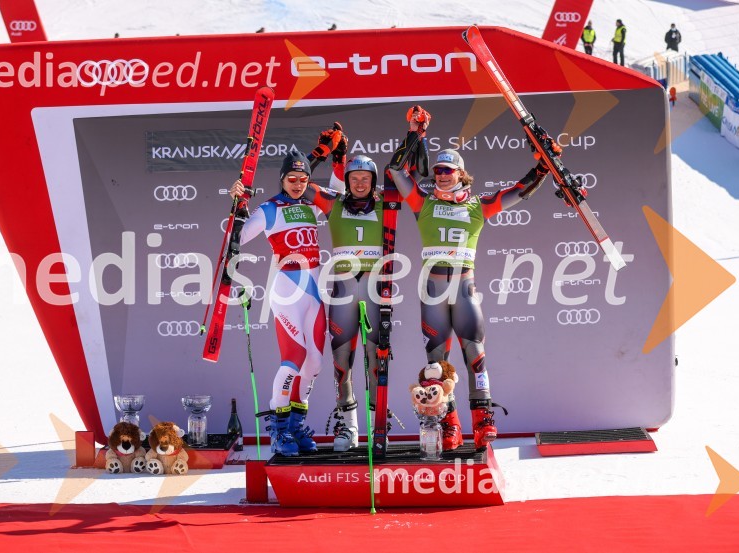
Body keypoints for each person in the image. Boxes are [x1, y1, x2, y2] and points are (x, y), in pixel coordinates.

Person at [388, 107, 555, 451]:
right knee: (436, 365)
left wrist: (544, 164)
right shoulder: (423, 201)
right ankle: (448, 425)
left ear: (462, 173)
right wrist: (415, 133)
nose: (441, 175)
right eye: (437, 171)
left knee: (475, 354)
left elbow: (520, 190)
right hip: (432, 288)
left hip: (464, 287)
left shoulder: (479, 205)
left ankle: (482, 422)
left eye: (448, 170)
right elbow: (395, 171)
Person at [228, 151, 326, 457]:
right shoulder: (270, 208)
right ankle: (279, 426)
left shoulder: (312, 206)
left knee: (315, 363)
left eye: (303, 179)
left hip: (315, 289)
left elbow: (340, 191)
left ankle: (296, 425)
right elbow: (237, 237)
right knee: (293, 358)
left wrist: (336, 156)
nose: (297, 184)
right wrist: (238, 204)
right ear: (282, 179)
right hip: (287, 289)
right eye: (291, 179)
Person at [301, 128, 385, 452]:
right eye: (354, 177)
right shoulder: (333, 203)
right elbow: (299, 183)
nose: (360, 183)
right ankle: (348, 427)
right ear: (347, 179)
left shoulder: (385, 204)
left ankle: (379, 428)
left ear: (373, 181)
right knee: (342, 362)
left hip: (377, 289)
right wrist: (320, 153)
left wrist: (415, 138)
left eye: (366, 178)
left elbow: (414, 185)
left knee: (377, 362)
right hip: (344, 289)